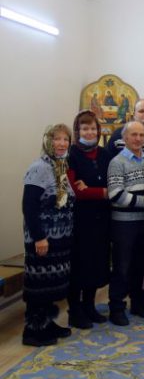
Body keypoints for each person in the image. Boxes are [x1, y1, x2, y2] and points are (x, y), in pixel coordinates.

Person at [21, 124, 75, 346]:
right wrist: (39, 237)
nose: (61, 143)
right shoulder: (40, 167)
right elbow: (29, 206)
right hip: (43, 238)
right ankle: (33, 331)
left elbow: (62, 200)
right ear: (48, 141)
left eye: (65, 139)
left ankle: (47, 323)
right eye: (57, 139)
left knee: (51, 285)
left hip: (59, 239)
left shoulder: (59, 165)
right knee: (39, 286)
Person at [107, 121, 144, 326]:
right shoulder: (117, 162)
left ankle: (139, 303)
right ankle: (116, 308)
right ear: (125, 138)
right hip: (123, 224)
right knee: (122, 267)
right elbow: (115, 194)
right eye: (134, 135)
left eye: (141, 135)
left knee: (141, 265)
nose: (138, 139)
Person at [66, 110, 112, 329]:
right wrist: (102, 192)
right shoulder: (71, 154)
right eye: (85, 128)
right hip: (80, 220)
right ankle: (75, 311)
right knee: (79, 266)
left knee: (96, 263)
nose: (89, 132)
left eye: (93, 128)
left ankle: (89, 306)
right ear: (78, 131)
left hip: (102, 219)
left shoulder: (104, 154)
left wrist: (92, 189)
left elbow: (114, 185)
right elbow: (75, 191)